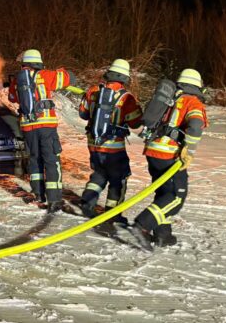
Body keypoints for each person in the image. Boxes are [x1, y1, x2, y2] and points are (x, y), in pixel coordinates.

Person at [128, 68, 209, 250]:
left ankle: (163, 235)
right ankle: (142, 225)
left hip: (154, 151)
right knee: (176, 197)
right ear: (198, 86)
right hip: (169, 155)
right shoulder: (192, 102)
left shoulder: (172, 99)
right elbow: (196, 126)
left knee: (164, 194)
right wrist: (189, 151)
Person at [78, 59, 142, 228]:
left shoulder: (93, 91)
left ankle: (87, 202)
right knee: (118, 179)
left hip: (94, 144)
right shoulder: (126, 98)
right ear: (125, 78)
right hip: (114, 148)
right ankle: (113, 214)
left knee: (99, 173)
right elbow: (135, 123)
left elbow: (83, 114)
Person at [8, 49, 73, 213]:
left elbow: (12, 98)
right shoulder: (46, 75)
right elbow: (69, 78)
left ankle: (38, 194)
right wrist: (61, 70)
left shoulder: (17, 80)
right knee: (51, 160)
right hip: (46, 126)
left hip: (28, 127)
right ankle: (54, 199)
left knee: (35, 159)